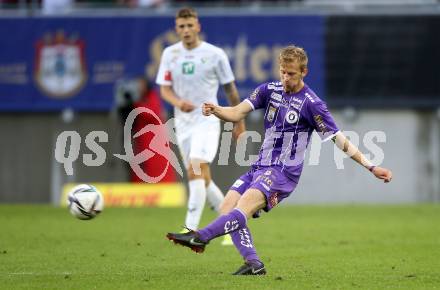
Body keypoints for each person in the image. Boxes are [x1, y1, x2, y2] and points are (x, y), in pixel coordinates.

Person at [166, 45, 393, 275]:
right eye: (282, 72)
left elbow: (339, 139)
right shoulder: (269, 90)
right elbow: (236, 112)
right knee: (227, 209)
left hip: (283, 173)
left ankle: (200, 237)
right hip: (259, 166)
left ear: (304, 71)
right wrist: (216, 109)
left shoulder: (312, 104)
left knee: (242, 208)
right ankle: (254, 264)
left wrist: (370, 166)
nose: (285, 78)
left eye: (291, 73)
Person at [155, 7, 245, 245]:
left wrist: (238, 120)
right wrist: (178, 102)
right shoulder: (169, 54)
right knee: (202, 179)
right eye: (181, 26)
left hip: (207, 120)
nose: (186, 30)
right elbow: (164, 89)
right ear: (176, 29)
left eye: (189, 25)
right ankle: (231, 227)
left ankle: (190, 229)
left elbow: (231, 91)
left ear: (198, 26)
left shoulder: (215, 55)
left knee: (196, 169)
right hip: (183, 123)